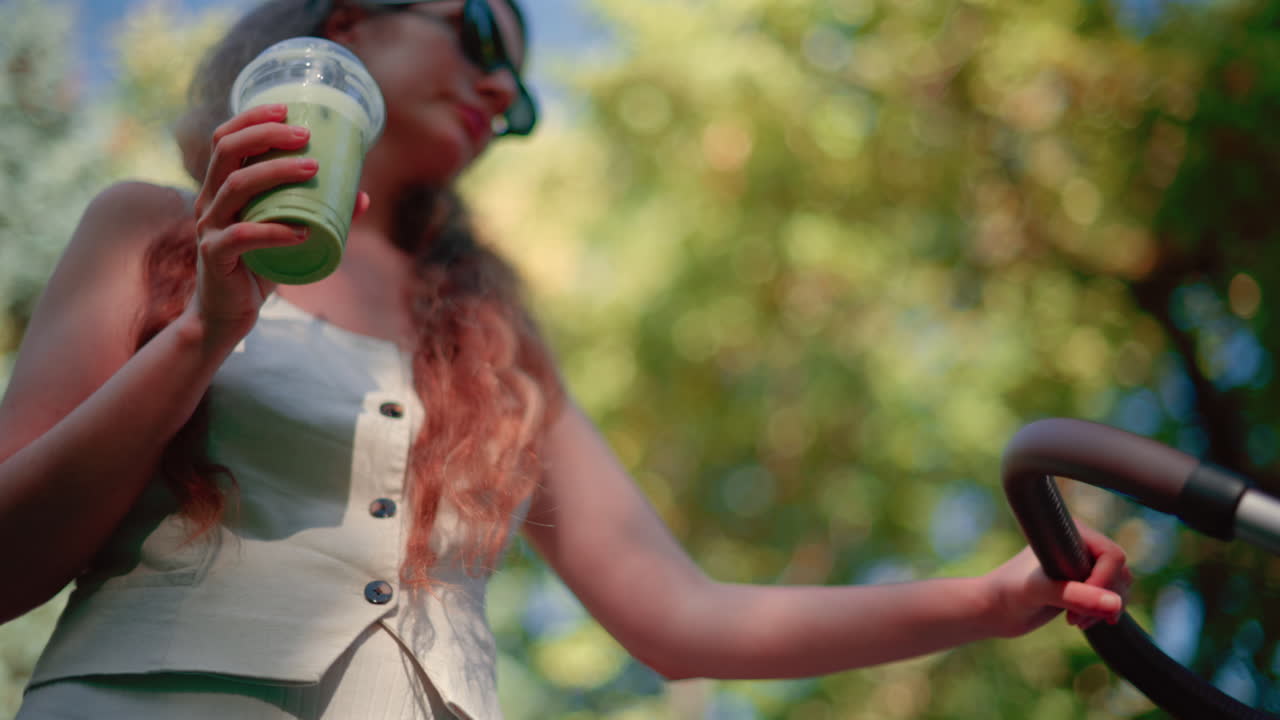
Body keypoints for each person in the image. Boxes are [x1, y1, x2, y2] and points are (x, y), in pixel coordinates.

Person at [0, 0, 1133, 717]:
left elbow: (680, 619)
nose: (503, 90)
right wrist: (201, 336)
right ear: (345, 23)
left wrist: (987, 600)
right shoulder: (148, 228)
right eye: (481, 33)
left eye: (525, 91)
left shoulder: (492, 344)